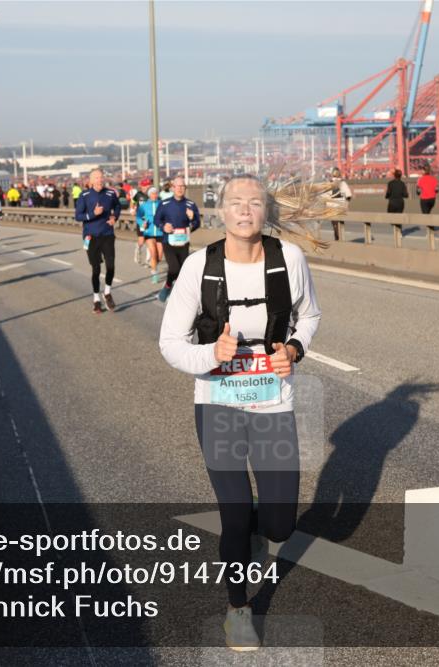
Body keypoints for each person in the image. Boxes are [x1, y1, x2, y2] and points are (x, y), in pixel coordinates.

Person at [158, 174, 321, 651]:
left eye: (254, 202)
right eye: (235, 202)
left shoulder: (288, 259)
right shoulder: (197, 267)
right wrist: (213, 354)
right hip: (218, 405)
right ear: (221, 212)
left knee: (279, 527)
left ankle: (254, 526)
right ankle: (238, 609)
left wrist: (293, 348)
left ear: (266, 211)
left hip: (272, 403)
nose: (245, 209)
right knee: (233, 515)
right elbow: (169, 344)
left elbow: (310, 315)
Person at [75, 168, 121, 313]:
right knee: (96, 269)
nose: (99, 180)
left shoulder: (110, 193)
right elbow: (78, 216)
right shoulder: (85, 195)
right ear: (90, 181)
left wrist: (115, 217)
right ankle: (96, 299)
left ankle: (107, 292)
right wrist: (93, 214)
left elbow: (118, 206)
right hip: (91, 236)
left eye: (101, 177)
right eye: (96, 178)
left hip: (107, 234)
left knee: (111, 266)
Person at [156, 176, 201, 303]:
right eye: (177, 186)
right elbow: (156, 220)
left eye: (183, 186)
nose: (180, 189)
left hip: (183, 242)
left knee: (182, 271)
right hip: (168, 241)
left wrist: (192, 219)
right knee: (174, 268)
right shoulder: (165, 204)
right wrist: (163, 226)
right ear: (172, 188)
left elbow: (197, 223)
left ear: (185, 188)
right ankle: (167, 287)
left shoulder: (190, 205)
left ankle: (176, 292)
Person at [136, 186, 165, 283]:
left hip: (160, 232)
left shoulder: (162, 204)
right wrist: (142, 223)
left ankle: (154, 266)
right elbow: (138, 217)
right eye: (152, 194)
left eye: (156, 193)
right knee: (153, 253)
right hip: (149, 232)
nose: (154, 195)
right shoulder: (144, 205)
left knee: (159, 256)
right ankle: (154, 273)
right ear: (149, 195)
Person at [131, 178, 152, 265]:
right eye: (145, 185)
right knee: (141, 240)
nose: (147, 187)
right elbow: (132, 202)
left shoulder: (153, 194)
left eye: (148, 185)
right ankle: (138, 249)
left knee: (150, 239)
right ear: (142, 186)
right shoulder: (138, 195)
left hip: (151, 220)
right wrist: (132, 209)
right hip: (142, 221)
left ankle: (148, 260)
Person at [328, 168, 352, 241]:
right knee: (335, 226)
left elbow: (347, 195)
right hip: (332, 208)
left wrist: (346, 205)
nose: (335, 176)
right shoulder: (329, 183)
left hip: (339, 207)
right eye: (334, 175)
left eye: (336, 174)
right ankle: (338, 239)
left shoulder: (342, 183)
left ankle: (339, 239)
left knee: (338, 225)